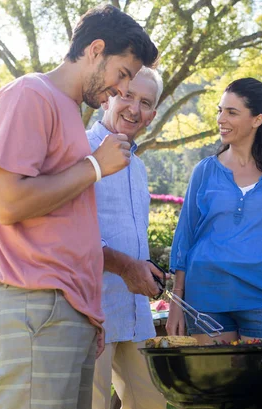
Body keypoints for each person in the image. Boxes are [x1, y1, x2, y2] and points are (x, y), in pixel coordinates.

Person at [0, 5, 159, 409]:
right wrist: (95, 167)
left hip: (70, 310)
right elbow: (7, 202)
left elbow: (66, 221)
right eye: (123, 73)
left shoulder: (68, 111)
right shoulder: (29, 94)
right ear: (96, 49)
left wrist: (88, 311)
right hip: (37, 305)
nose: (121, 89)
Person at [166, 77, 262, 344]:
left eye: (232, 112)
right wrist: (177, 301)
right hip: (206, 298)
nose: (221, 119)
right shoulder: (205, 171)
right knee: (218, 385)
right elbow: (184, 239)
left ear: (257, 119)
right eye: (220, 110)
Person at [88, 66, 167, 409]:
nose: (135, 108)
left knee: (152, 402)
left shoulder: (139, 167)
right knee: (91, 404)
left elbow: (129, 234)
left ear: (153, 114)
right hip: (93, 310)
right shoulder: (80, 151)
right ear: (108, 96)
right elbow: (76, 235)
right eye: (127, 95)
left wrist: (145, 265)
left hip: (135, 312)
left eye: (145, 102)